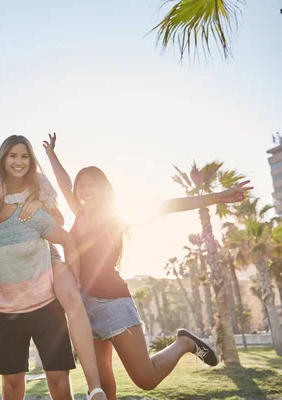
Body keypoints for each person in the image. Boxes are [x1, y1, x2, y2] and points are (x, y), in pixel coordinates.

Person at [43, 132, 253, 400]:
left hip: (113, 303)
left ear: (104, 188)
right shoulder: (79, 213)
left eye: (91, 185)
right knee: (103, 384)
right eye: (81, 186)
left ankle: (184, 342)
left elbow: (167, 206)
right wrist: (51, 154)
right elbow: (64, 183)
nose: (84, 190)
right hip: (81, 307)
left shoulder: (115, 217)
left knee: (146, 379)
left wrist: (216, 196)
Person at [0, 136, 103, 400]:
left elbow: (60, 223)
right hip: (7, 266)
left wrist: (39, 205)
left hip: (44, 255)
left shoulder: (37, 183)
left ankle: (94, 386)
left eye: (24, 156)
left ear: (31, 160)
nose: (18, 161)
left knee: (72, 297)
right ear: (3, 159)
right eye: (12, 156)